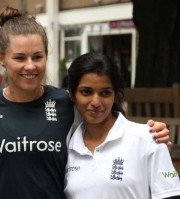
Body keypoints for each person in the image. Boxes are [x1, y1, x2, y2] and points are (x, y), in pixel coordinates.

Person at [0, 6, 171, 199]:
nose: (30, 66)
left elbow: (106, 120)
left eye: (37, 56)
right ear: (1, 58)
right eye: (19, 57)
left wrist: (150, 137)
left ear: (46, 56)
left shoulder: (66, 102)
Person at [64, 52, 180, 199]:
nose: (96, 102)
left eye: (105, 93)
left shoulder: (148, 139)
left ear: (115, 96)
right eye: (86, 92)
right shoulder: (67, 146)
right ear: (72, 95)